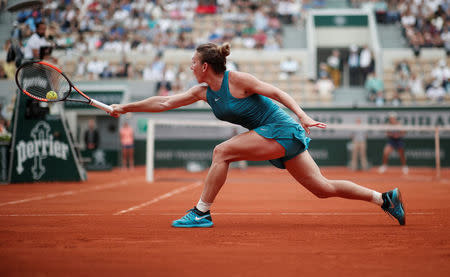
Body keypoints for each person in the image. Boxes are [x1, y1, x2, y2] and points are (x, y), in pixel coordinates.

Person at [110, 42, 405, 227]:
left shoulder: (236, 80)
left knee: (221, 151)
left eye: (192, 63)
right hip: (274, 134)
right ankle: (385, 199)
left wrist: (302, 115)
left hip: (281, 129)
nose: (189, 67)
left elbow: (276, 92)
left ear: (204, 66)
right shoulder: (201, 92)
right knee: (322, 188)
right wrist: (125, 107)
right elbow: (164, 102)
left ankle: (201, 212)